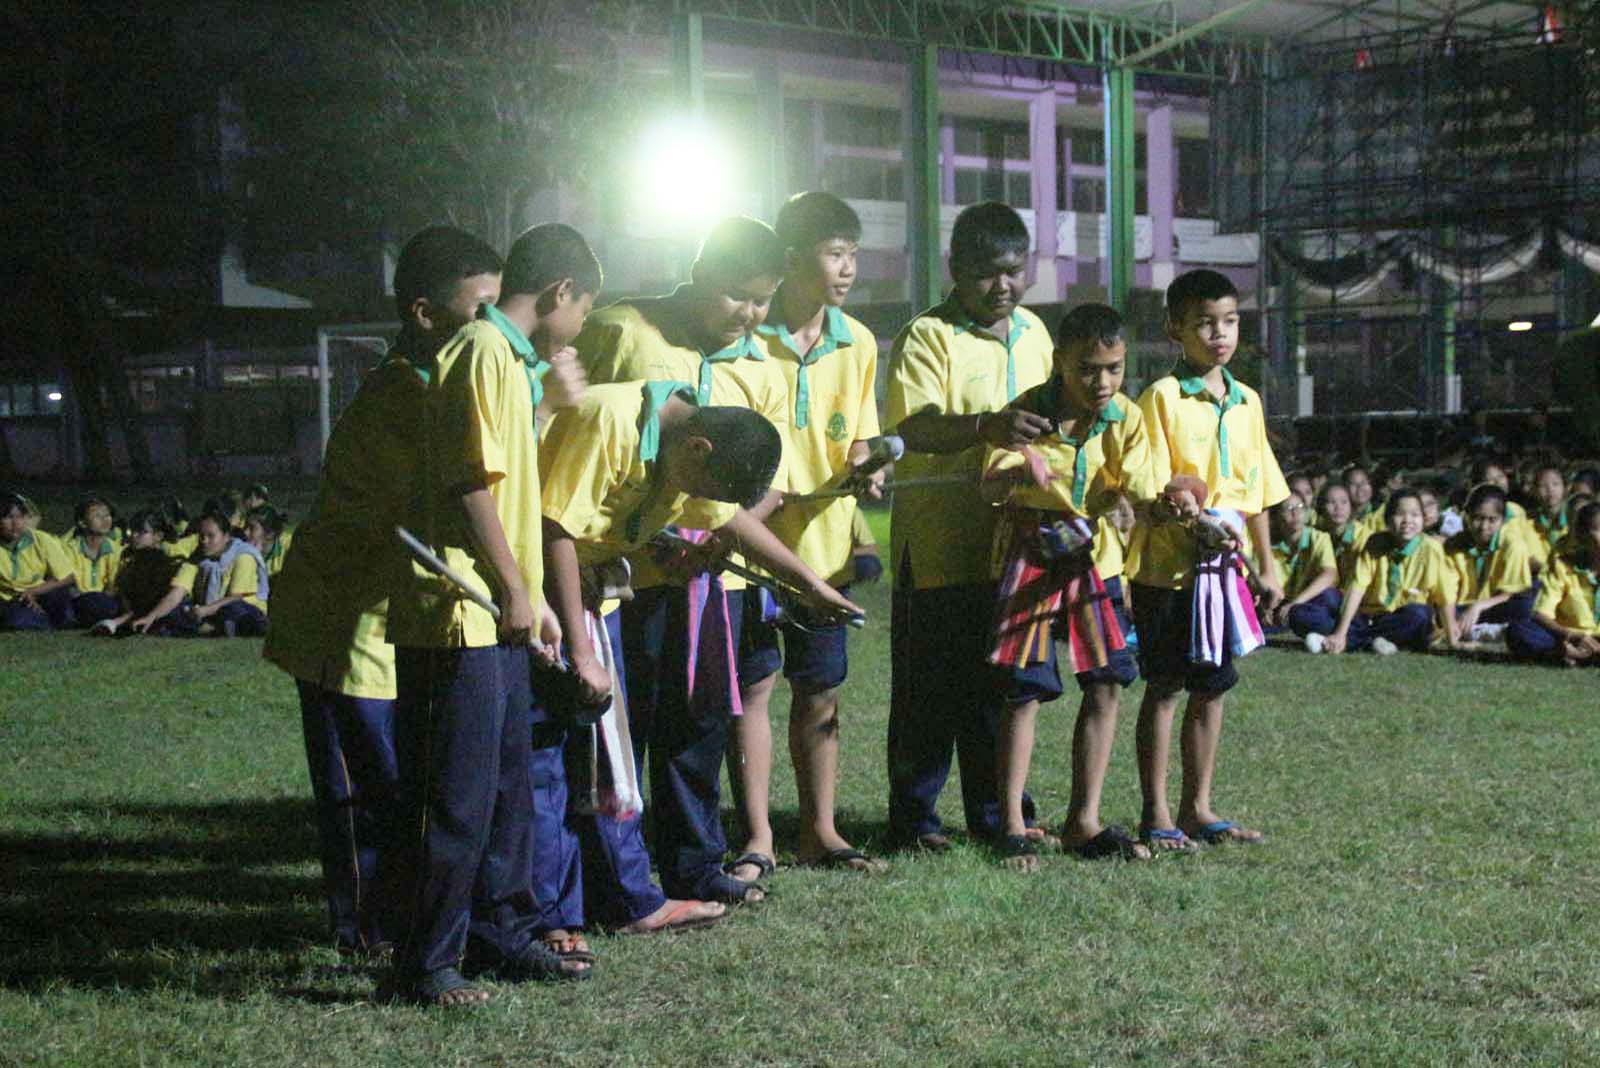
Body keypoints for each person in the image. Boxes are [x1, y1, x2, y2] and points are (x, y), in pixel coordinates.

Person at [537, 383, 860, 939]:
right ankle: (574, 909)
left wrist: (808, 584)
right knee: (570, 760)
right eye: (703, 486)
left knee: (603, 759)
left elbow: (726, 521)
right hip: (550, 604)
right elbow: (555, 529)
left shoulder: (679, 443)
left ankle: (618, 898)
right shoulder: (610, 420)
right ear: (699, 449)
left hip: (591, 600)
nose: (697, 501)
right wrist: (582, 650)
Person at [263, 226, 503, 959]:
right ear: (425, 314)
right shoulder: (403, 392)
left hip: (394, 609)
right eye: (480, 310)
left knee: (403, 783)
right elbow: (451, 497)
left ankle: (399, 921)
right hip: (340, 614)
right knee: (360, 786)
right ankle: (366, 929)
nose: (493, 327)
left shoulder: (444, 381)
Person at [379, 222, 594, 1007]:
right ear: (562, 292)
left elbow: (509, 480)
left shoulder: (509, 360)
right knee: (456, 796)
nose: (583, 330)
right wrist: (512, 587)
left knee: (506, 790)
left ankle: (503, 933)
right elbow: (469, 481)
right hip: (459, 611)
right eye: (586, 310)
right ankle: (425, 961)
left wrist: (529, 598)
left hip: (499, 613)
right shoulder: (478, 350)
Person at [572, 216, 791, 905]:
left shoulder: (763, 365)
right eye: (736, 294)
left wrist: (719, 541)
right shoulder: (621, 331)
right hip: (619, 578)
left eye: (762, 300)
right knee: (616, 727)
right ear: (700, 273)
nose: (748, 313)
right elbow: (569, 433)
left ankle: (694, 865)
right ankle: (614, 876)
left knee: (695, 725)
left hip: (705, 577)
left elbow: (767, 483)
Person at [883, 201, 1055, 852]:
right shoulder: (927, 336)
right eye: (986, 273)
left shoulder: (1037, 334)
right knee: (928, 693)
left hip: (1011, 548)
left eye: (1013, 270)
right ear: (955, 269)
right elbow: (912, 427)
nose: (1002, 286)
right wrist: (987, 426)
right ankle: (915, 822)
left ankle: (999, 814)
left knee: (1000, 689)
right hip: (937, 544)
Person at [728, 192, 887, 882]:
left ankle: (819, 831)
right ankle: (758, 836)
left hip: (825, 551)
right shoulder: (745, 337)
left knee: (820, 691)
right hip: (751, 555)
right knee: (755, 689)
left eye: (853, 253)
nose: (847, 268)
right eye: (834, 253)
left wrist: (866, 465)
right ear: (792, 258)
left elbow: (860, 437)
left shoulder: (859, 343)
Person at [981, 303, 1157, 869]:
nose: (1102, 382)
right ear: (1059, 361)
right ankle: (1012, 825)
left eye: (1113, 368)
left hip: (1096, 561)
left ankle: (1085, 821)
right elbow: (988, 487)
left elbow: (1140, 487)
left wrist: (1143, 499)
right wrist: (1015, 472)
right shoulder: (1026, 413)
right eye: (1087, 369)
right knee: (1022, 689)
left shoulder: (1127, 417)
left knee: (1106, 683)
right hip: (1031, 559)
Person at [1125, 268, 1287, 851]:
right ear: (1175, 329)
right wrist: (1190, 519)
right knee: (1165, 686)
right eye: (1204, 323)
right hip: (1168, 571)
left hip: (1224, 574)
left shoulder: (1247, 402)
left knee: (1213, 686)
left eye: (1230, 321)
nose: (1220, 334)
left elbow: (1257, 492)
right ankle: (1157, 813)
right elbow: (1150, 487)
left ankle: (1199, 807)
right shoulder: (1161, 399)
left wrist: (1267, 565)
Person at [1324, 489, 1459, 655]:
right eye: (1400, 514)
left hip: (1405, 618)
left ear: (1423, 520)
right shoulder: (1375, 543)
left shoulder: (1432, 549)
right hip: (1370, 617)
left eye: (1415, 515)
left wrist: (1452, 639)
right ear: (1387, 520)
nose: (1407, 520)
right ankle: (1365, 639)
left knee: (1420, 614)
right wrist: (1341, 632)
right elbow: (1357, 587)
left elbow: (1445, 596)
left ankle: (1357, 639)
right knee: (1318, 605)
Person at [129, 509, 269, 637]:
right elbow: (177, 592)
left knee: (233, 609)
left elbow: (236, 597)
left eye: (211, 536)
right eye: (201, 536)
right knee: (176, 608)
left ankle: (212, 628)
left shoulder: (243, 556)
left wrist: (206, 610)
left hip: (242, 610)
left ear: (226, 536)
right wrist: (152, 616)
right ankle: (209, 629)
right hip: (208, 611)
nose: (204, 541)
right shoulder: (198, 556)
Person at [1507, 500, 1600, 665]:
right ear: (1582, 536)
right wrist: (1570, 635)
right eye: (1598, 529)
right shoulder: (1563, 564)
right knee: (1520, 631)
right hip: (1569, 635)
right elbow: (1540, 614)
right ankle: (1570, 652)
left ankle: (1572, 655)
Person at [1444, 484, 1536, 645]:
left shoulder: (1513, 544)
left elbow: (1510, 593)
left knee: (1526, 605)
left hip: (1495, 606)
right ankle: (1475, 630)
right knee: (1436, 611)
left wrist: (1478, 607)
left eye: (1492, 520)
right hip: (1463, 607)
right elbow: (1447, 593)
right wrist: (1451, 618)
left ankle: (1472, 629)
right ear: (1466, 516)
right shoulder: (1455, 544)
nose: (1484, 527)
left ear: (1503, 520)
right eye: (1477, 518)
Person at [1264, 491, 1340, 650]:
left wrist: (1295, 603)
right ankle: (1331, 635)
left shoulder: (1319, 538)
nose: (1295, 513)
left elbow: (1329, 575)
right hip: (1287, 605)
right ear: (1277, 516)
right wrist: (1266, 606)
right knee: (1295, 615)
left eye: (1300, 507)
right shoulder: (1270, 546)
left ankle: (1344, 633)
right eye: (1288, 508)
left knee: (1329, 597)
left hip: (1313, 601)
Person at [0, 490, 76, 631]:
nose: (15, 523)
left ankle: (51, 619)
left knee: (59, 595)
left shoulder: (41, 539)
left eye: (20, 517)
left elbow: (68, 576)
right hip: (10, 599)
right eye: (8, 517)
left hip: (41, 593)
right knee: (15, 618)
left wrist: (33, 591)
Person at [61, 496, 123, 627]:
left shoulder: (116, 550)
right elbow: (68, 585)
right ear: (82, 523)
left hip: (104, 600)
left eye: (107, 515)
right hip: (77, 600)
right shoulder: (70, 549)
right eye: (97, 516)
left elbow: (113, 586)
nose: (105, 520)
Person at [245, 505, 293, 579]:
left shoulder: (289, 548)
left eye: (252, 528)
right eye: (245, 525)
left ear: (270, 533)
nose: (245, 532)